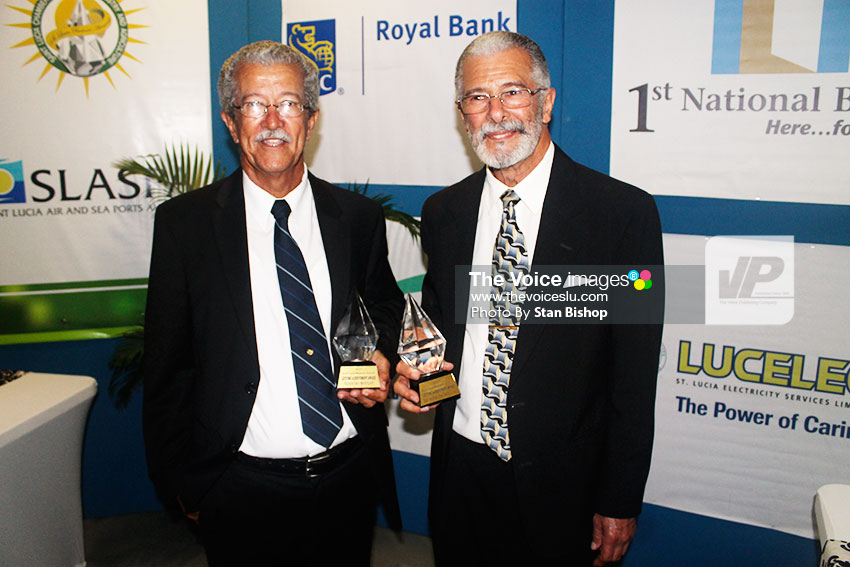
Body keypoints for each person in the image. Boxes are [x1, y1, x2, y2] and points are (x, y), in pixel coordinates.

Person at [394, 31, 664, 565]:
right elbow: (452, 339)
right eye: (477, 97)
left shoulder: (622, 215)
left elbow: (632, 379)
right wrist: (422, 383)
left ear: (547, 100)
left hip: (564, 487)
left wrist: (618, 499)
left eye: (513, 92)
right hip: (461, 476)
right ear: (461, 112)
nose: (496, 112)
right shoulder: (444, 213)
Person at [142, 40, 403, 566]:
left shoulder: (355, 218)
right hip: (240, 488)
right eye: (253, 105)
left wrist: (384, 356)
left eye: (288, 102)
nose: (272, 120)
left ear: (310, 119)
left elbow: (385, 309)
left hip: (348, 477)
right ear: (231, 121)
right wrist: (183, 484)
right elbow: (168, 364)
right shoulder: (185, 227)